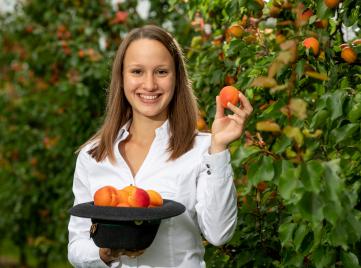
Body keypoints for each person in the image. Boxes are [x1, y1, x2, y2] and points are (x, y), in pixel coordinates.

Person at [67, 24, 253, 268]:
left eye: (161, 72)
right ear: (121, 78)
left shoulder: (201, 150)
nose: (150, 84)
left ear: (176, 78)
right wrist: (106, 253)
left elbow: (219, 234)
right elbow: (77, 245)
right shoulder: (93, 156)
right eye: (137, 71)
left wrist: (218, 148)